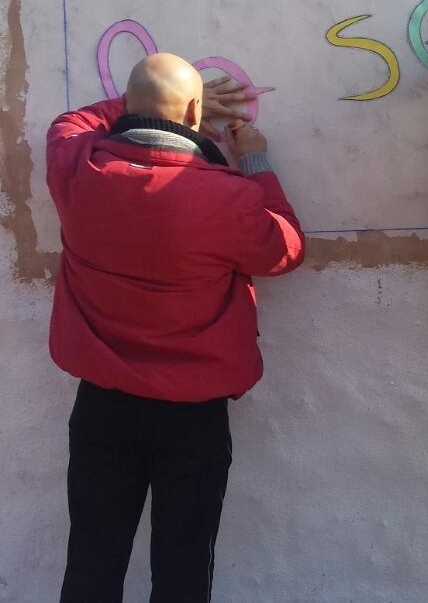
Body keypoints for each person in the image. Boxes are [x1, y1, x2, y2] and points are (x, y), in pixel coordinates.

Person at [46, 53, 304, 601]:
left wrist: (141, 103)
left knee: (92, 558)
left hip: (102, 404)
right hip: (192, 416)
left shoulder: (79, 169)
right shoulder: (227, 196)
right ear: (194, 109)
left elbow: (71, 122)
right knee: (183, 568)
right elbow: (286, 248)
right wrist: (256, 164)